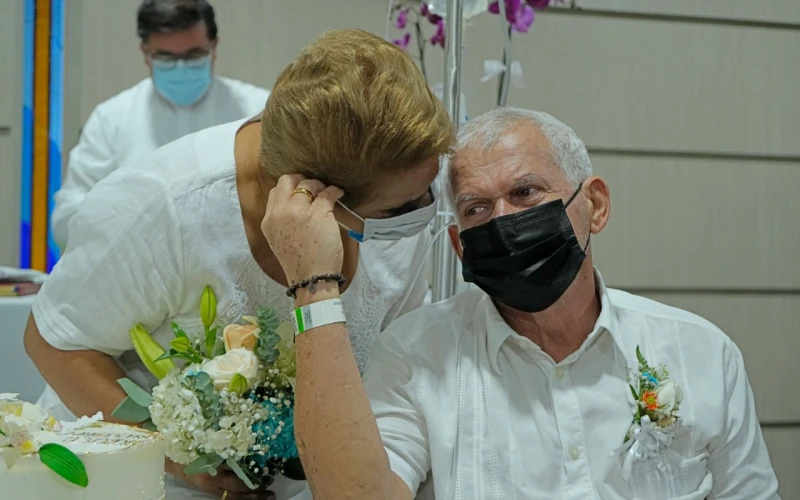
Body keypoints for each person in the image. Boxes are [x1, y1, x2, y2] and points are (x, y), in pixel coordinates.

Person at [260, 107, 780, 499]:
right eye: (477, 207)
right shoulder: (418, 358)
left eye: (526, 192)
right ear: (460, 245)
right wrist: (315, 287)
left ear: (594, 205)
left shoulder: (702, 353)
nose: (504, 220)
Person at [24, 29, 452, 500]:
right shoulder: (162, 205)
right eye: (398, 211)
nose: (423, 213)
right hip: (140, 474)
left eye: (428, 194)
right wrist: (181, 459)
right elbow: (57, 344)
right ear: (310, 199)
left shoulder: (401, 192)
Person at [51, 0, 270, 249]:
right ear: (145, 53)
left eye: (194, 55)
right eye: (165, 57)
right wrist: (131, 211)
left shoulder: (259, 112)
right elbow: (67, 221)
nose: (181, 67)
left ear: (214, 47)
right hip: (136, 273)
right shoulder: (110, 119)